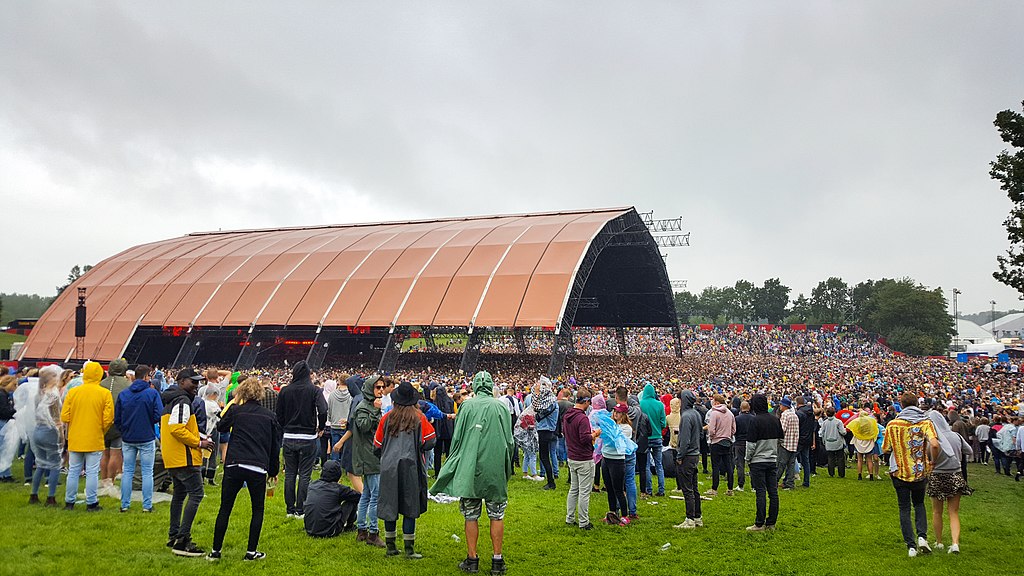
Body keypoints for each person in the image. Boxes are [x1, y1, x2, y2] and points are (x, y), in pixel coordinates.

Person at [431, 371, 513, 575]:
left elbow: (457, 438)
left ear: (476, 386)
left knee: (471, 515)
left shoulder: (467, 406)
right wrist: (506, 465)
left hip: (470, 467)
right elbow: (510, 441)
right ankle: (497, 560)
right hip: (494, 467)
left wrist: (454, 461)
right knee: (497, 514)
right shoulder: (501, 407)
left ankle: (472, 558)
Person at [208, 377, 282, 562]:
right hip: (257, 465)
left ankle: (215, 551)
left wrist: (233, 404)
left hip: (234, 463)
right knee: (257, 509)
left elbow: (221, 426)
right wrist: (273, 471)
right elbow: (275, 446)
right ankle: (251, 551)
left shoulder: (236, 411)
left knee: (225, 508)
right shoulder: (269, 416)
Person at [373, 381, 436, 559]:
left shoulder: (387, 417)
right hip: (411, 466)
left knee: (389, 505)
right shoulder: (419, 417)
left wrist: (385, 456)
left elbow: (376, 445)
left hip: (388, 467)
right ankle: (409, 550)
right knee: (410, 505)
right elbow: (431, 440)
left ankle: (391, 547)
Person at [162, 367, 216, 557]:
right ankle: (182, 541)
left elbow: (178, 427)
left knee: (179, 495)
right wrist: (199, 443)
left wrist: (200, 436)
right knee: (196, 494)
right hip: (184, 457)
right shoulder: (182, 400)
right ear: (182, 381)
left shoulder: (172, 399)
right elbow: (177, 428)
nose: (196, 385)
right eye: (193, 381)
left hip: (173, 456)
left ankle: (174, 535)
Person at [882, 392, 941, 558]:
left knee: (904, 508)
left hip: (899, 472)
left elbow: (885, 448)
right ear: (917, 404)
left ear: (902, 405)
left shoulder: (893, 424)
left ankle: (911, 546)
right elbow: (935, 444)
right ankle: (922, 537)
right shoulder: (925, 422)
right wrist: (932, 461)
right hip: (919, 471)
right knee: (919, 504)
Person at [276, 361, 328, 519]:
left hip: (289, 436)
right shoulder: (314, 390)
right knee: (305, 475)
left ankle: (290, 509)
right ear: (309, 374)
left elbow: (278, 413)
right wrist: (321, 426)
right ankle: (301, 509)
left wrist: (285, 426)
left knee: (290, 474)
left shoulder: (285, 390)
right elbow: (323, 409)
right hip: (307, 437)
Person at [61, 361, 114, 512]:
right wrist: (100, 430)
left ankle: (69, 501)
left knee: (73, 471)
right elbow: (108, 418)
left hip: (75, 436)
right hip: (94, 437)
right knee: (92, 471)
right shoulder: (104, 393)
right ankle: (91, 502)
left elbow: (65, 416)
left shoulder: (73, 392)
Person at [114, 364, 163, 513]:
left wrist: (124, 430)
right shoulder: (152, 394)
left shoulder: (124, 394)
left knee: (127, 471)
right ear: (147, 376)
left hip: (128, 437)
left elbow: (117, 418)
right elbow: (158, 414)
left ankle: (125, 504)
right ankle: (147, 505)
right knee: (147, 472)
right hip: (146, 436)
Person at [926, 409, 973, 554]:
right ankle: (955, 543)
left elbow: (927, 455)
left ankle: (939, 542)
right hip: (955, 474)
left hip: (937, 475)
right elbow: (969, 451)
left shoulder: (932, 439)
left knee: (936, 512)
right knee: (953, 512)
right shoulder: (956, 436)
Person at [352, 374, 387, 548]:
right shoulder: (364, 406)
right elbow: (364, 426)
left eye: (382, 387)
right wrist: (374, 410)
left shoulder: (370, 405)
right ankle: (373, 533)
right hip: (369, 456)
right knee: (375, 495)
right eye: (377, 387)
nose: (381, 390)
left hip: (371, 453)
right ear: (369, 388)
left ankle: (362, 530)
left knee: (366, 494)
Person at [564, 388, 601, 529]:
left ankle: (570, 517)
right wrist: (595, 434)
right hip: (583, 458)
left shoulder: (568, 415)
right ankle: (584, 521)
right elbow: (584, 438)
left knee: (574, 489)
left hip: (572, 456)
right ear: (585, 401)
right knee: (584, 492)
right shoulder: (582, 418)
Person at [745, 394, 783, 531]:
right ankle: (771, 523)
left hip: (757, 460)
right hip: (772, 459)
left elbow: (751, 444)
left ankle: (759, 523)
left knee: (760, 492)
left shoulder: (755, 421)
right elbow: (781, 439)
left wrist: (747, 459)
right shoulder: (775, 419)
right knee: (773, 492)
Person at [28, 366, 63, 505]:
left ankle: (34, 494)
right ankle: (51, 496)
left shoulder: (38, 394)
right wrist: (61, 434)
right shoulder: (53, 395)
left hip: (38, 430)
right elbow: (56, 417)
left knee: (41, 463)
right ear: (50, 380)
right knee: (55, 464)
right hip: (50, 431)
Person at [98, 358, 131, 498]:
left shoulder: (101, 384)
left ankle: (103, 480)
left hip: (102, 423)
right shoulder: (127, 385)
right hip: (118, 422)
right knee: (115, 452)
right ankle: (110, 482)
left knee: (104, 452)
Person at [303, 460, 362, 538]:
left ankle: (315, 525)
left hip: (309, 529)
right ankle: (350, 526)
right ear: (338, 474)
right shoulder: (339, 489)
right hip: (331, 531)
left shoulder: (312, 485)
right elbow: (358, 496)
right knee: (352, 500)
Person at [673, 390, 703, 529]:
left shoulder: (685, 417)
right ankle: (697, 516)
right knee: (694, 488)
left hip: (687, 455)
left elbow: (684, 440)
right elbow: (701, 434)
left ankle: (690, 518)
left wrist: (680, 456)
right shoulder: (696, 414)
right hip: (695, 454)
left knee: (687, 488)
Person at [601, 404, 632, 525]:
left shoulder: (626, 428)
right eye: (614, 411)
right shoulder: (612, 425)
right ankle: (612, 511)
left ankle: (625, 515)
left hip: (617, 460)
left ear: (623, 414)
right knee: (609, 488)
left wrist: (608, 431)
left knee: (618, 489)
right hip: (606, 457)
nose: (615, 414)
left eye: (618, 412)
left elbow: (619, 442)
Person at [705, 394, 736, 497]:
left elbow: (712, 429)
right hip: (727, 441)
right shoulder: (730, 413)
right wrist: (728, 435)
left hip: (716, 442)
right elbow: (734, 429)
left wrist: (712, 436)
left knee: (716, 466)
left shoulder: (714, 413)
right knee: (729, 465)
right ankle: (730, 489)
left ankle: (714, 488)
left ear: (717, 402)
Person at [639, 383, 667, 497]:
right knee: (659, 464)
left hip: (645, 438)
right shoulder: (660, 405)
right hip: (657, 437)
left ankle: (648, 489)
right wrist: (658, 429)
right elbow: (663, 423)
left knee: (646, 465)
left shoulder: (641, 404)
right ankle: (661, 489)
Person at [532, 377, 559, 490]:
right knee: (547, 455)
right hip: (549, 430)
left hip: (546, 430)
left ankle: (551, 482)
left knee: (544, 457)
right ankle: (551, 479)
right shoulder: (553, 401)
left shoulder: (550, 403)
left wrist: (537, 394)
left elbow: (537, 407)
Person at [775, 397, 798, 490]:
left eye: (781, 404)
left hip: (785, 443)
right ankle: (789, 483)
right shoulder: (794, 415)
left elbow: (782, 430)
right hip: (794, 443)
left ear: (784, 406)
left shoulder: (785, 415)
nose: (780, 406)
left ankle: (774, 481)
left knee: (781, 464)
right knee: (791, 465)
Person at [850, 408, 880, 481]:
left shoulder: (857, 422)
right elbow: (875, 431)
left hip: (859, 441)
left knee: (860, 459)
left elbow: (853, 430)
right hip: (868, 441)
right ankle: (871, 475)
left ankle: (859, 475)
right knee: (869, 459)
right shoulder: (871, 422)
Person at [327, 378, 352, 462]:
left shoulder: (332, 394)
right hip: (346, 424)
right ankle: (345, 465)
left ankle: (334, 465)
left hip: (334, 423)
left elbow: (329, 409)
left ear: (339, 381)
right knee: (347, 448)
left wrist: (330, 419)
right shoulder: (351, 395)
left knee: (335, 447)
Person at [819, 406, 847, 478]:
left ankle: (831, 473)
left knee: (830, 458)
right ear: (834, 413)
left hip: (828, 442)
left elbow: (821, 433)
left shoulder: (824, 423)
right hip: (838, 442)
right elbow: (843, 432)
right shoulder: (838, 422)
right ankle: (841, 474)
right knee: (840, 458)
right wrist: (845, 430)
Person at [794, 395, 816, 488]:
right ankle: (806, 481)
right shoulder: (811, 413)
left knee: (791, 459)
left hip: (800, 439)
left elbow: (796, 427)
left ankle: (789, 479)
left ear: (797, 403)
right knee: (806, 461)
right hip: (808, 438)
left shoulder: (799, 413)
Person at [0, 375, 17, 483]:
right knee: (4, 449)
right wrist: (15, 410)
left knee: (4, 448)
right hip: (2, 422)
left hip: (4, 422)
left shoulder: (4, 395)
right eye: (14, 384)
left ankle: (5, 473)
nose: (15, 386)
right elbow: (3, 411)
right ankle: (4, 474)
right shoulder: (2, 395)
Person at [733, 400, 752, 492]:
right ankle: (754, 486)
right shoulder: (753, 418)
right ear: (749, 408)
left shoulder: (737, 419)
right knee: (752, 464)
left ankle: (741, 485)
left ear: (741, 408)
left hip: (739, 443)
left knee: (740, 464)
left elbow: (734, 431)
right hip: (751, 442)